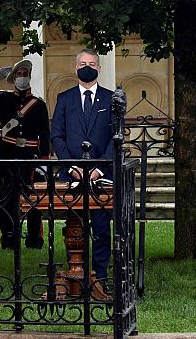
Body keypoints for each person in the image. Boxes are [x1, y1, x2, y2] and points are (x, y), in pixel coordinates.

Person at [51, 49, 115, 281]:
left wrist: (99, 169)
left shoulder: (110, 99)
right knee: (74, 226)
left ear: (98, 68)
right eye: (82, 63)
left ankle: (99, 276)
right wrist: (71, 168)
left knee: (101, 229)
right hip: (72, 176)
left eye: (91, 63)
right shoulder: (64, 98)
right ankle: (75, 273)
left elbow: (115, 136)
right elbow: (57, 135)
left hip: (102, 175)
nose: (86, 66)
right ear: (75, 67)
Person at [0, 59, 50, 250]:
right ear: (13, 78)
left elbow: (45, 134)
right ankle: (9, 238)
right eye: (18, 74)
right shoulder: (4, 98)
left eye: (25, 74)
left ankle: (34, 239)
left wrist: (43, 160)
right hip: (8, 155)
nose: (22, 78)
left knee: (33, 200)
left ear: (30, 77)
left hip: (30, 158)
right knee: (7, 199)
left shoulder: (39, 105)